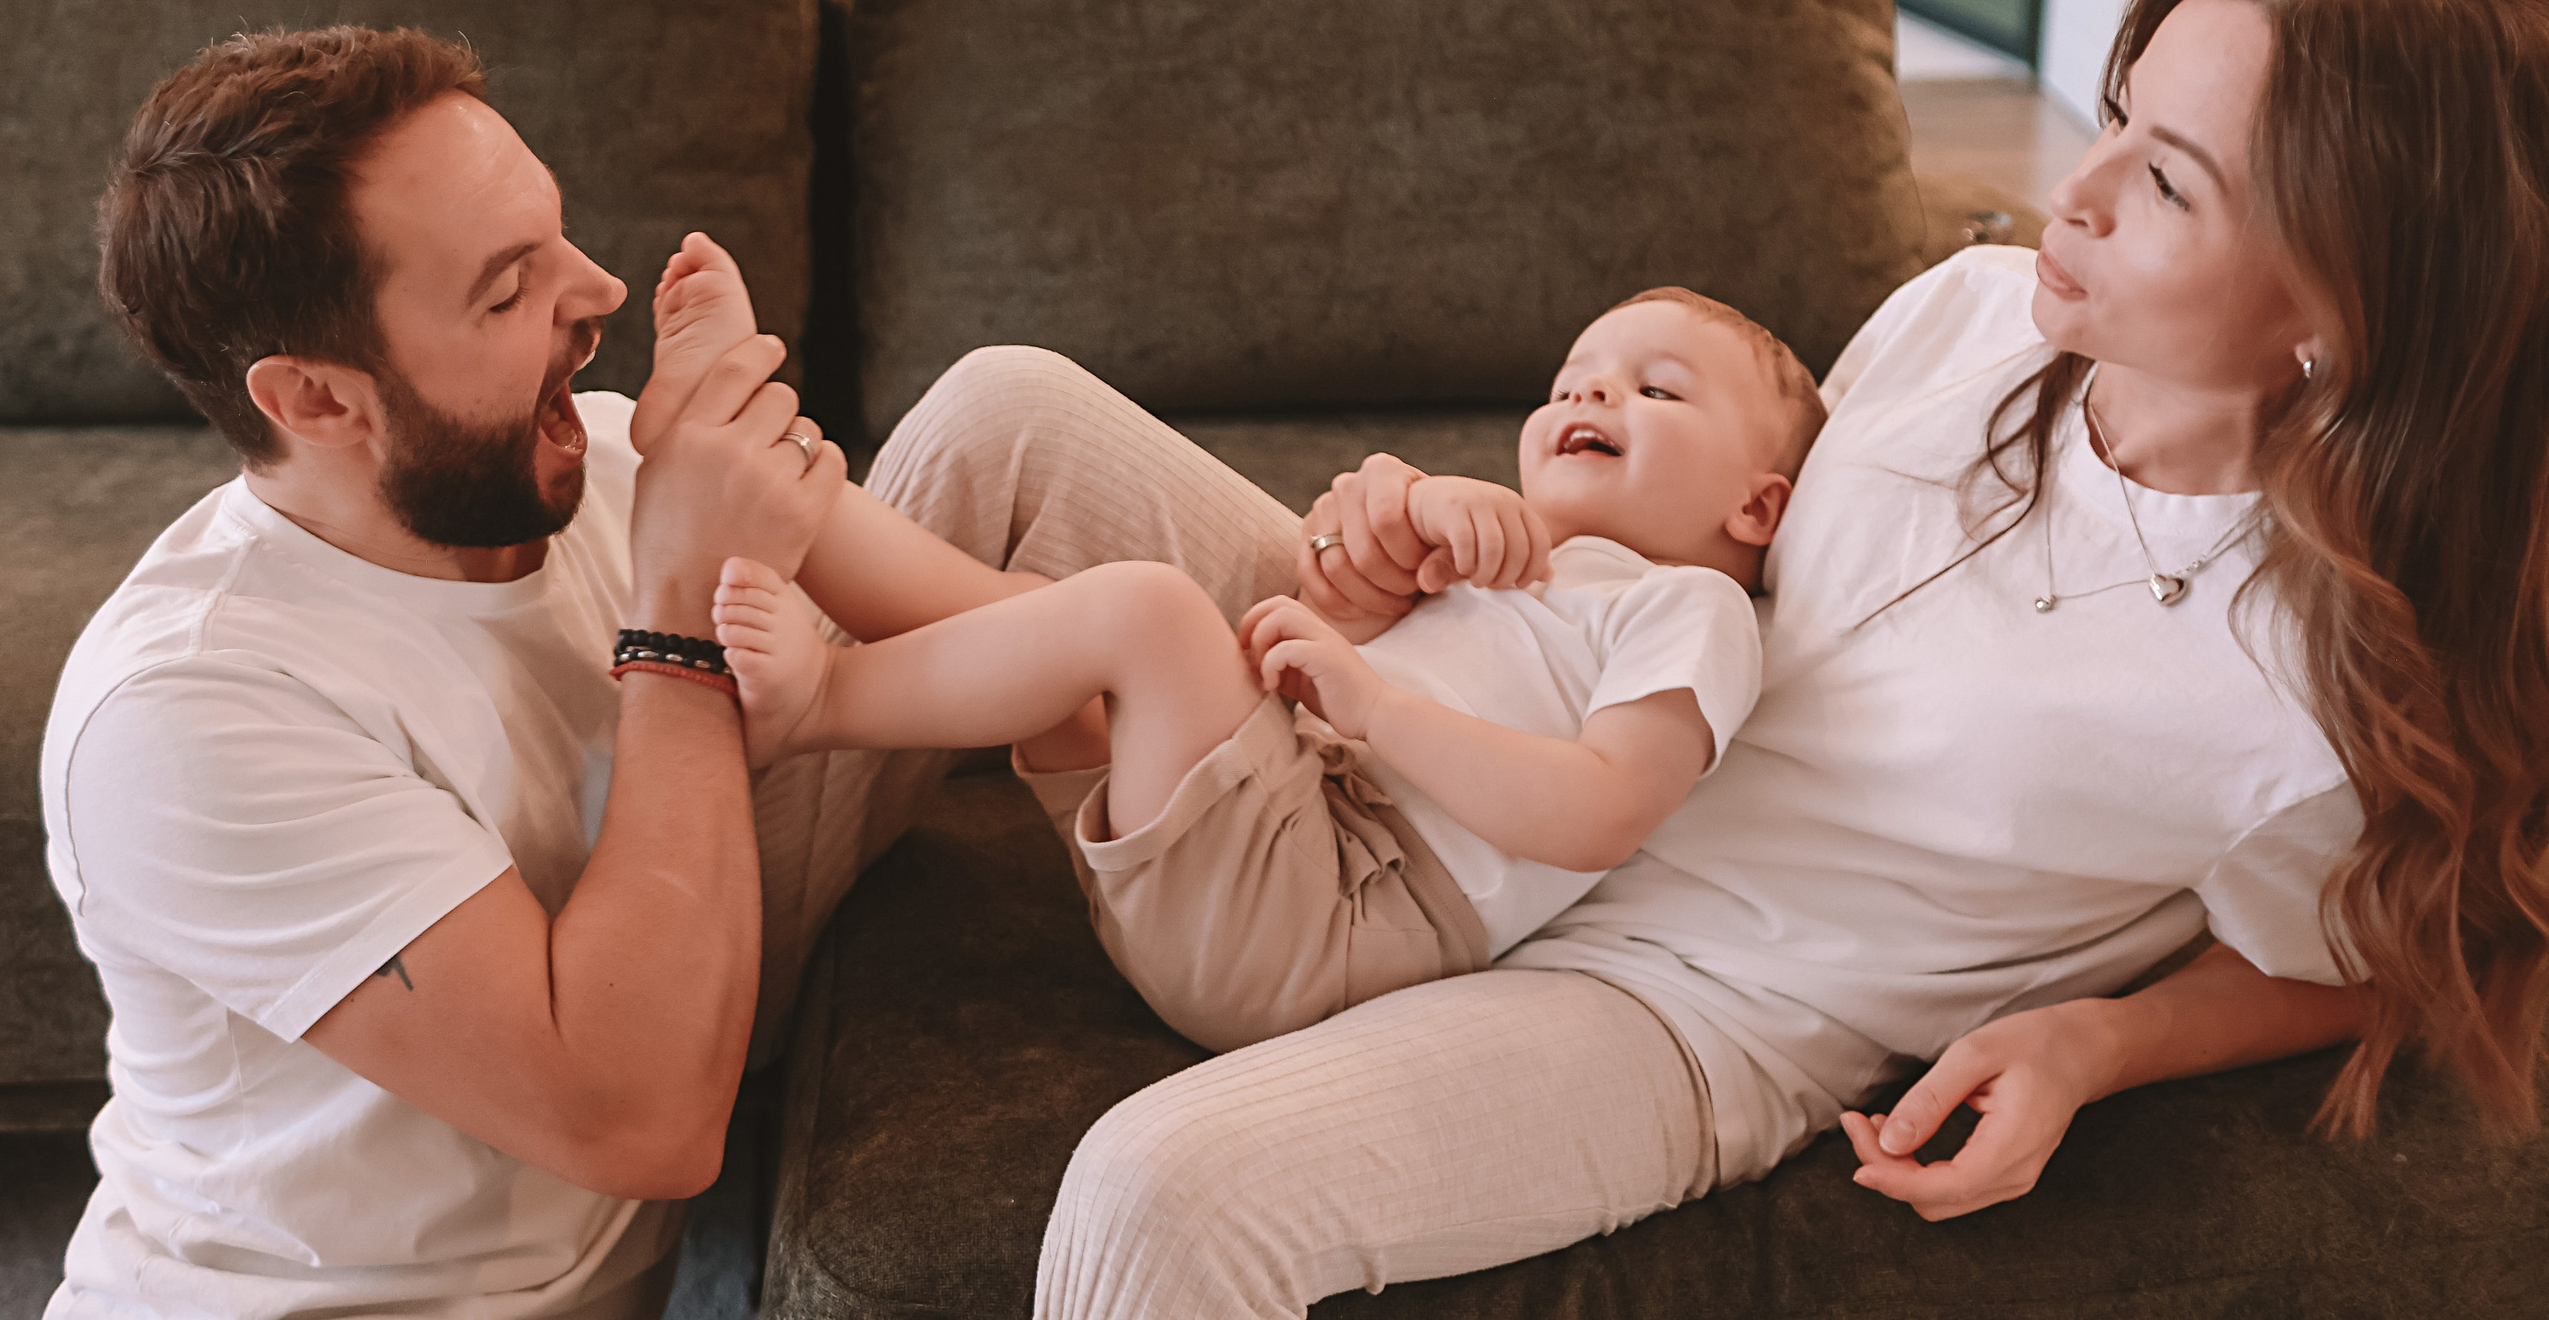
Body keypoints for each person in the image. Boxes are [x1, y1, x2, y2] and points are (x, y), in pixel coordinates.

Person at [831, 0, 2549, 1317]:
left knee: (1159, 1197)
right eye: (2110, 114)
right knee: (1006, 410)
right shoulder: (1965, 318)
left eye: (2166, 181)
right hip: (1534, 716)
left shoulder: (2317, 680)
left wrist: (2091, 1039)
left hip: (1685, 995)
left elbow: (2397, 944)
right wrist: (1427, 546)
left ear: (2337, 310)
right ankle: (673, 1029)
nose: (2074, 191)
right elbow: (1709, 567)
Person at [37, 29, 1058, 1319]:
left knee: (1010, 419)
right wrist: (676, 610)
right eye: (509, 291)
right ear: (315, 398)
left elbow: (1057, 650)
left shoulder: (618, 463)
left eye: (559, 236)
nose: (602, 294)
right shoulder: (187, 717)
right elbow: (643, 1121)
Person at [697, 283, 1821, 1053]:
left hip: (1340, 910)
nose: (1589, 395)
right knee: (1044, 626)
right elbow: (1335, 642)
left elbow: (1597, 813)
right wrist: (1376, 579)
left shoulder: (1695, 607)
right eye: (1573, 379)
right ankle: (757, 470)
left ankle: (823, 698)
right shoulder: (1536, 569)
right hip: (1288, 838)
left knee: (1145, 610)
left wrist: (1372, 704)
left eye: (1657, 389)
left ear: (1756, 503)